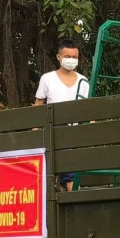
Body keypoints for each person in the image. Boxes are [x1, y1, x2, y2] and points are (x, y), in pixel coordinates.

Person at [34, 38, 90, 191]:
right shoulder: (47, 78)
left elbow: (87, 108)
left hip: (76, 131)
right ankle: (71, 193)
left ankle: (67, 189)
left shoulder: (83, 81)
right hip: (55, 130)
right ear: (59, 57)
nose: (71, 60)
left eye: (74, 57)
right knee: (68, 167)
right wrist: (35, 131)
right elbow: (39, 105)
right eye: (67, 57)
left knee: (72, 166)